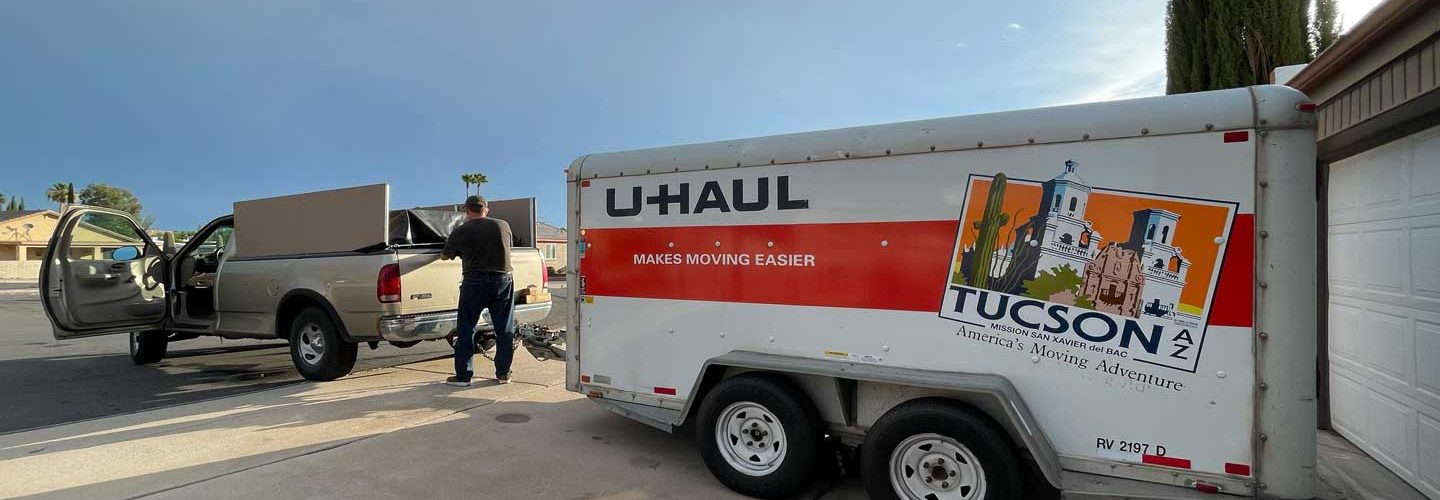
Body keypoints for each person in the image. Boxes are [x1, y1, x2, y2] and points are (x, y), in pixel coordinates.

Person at [441, 195, 515, 387]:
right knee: (504, 329)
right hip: (503, 281)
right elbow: (508, 248)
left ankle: (464, 376)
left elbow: (445, 255)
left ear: (467, 210)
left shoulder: (461, 231)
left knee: (466, 328)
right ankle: (503, 373)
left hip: (474, 283)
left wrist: (459, 250)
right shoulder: (503, 225)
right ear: (486, 209)